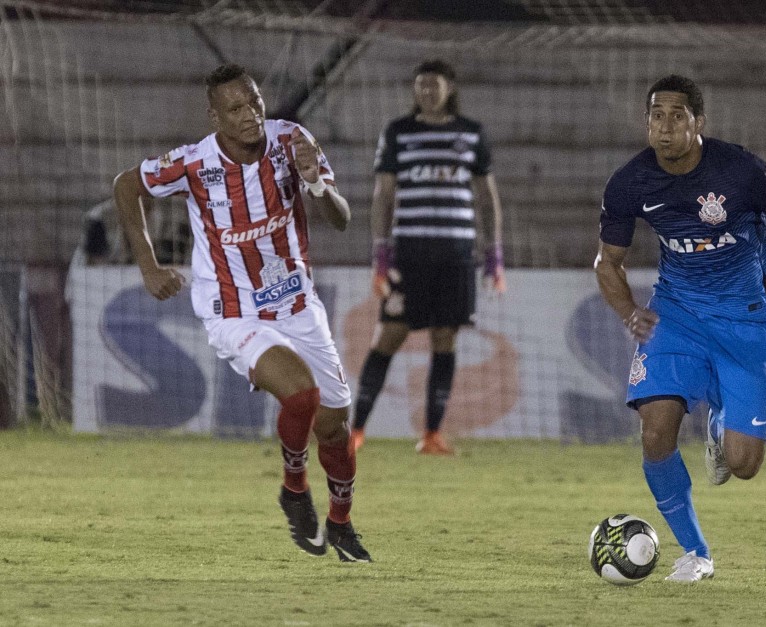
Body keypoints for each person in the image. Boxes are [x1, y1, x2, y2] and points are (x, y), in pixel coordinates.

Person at [595, 75, 766, 582]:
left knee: (744, 464)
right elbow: (608, 262)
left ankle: (719, 424)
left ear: (698, 123)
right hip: (676, 316)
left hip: (744, 321)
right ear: (647, 123)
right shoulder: (630, 183)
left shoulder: (740, 171)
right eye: (656, 115)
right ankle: (696, 553)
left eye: (677, 115)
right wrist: (628, 312)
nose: (665, 126)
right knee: (655, 432)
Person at [112, 63, 371, 563]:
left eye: (254, 101)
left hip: (298, 305)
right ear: (215, 117)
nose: (251, 114)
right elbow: (127, 185)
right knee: (302, 395)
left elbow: (340, 218)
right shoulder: (192, 163)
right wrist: (148, 267)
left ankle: (341, 524)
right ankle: (294, 486)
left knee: (334, 427)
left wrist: (316, 181)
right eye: (236, 108)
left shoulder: (292, 139)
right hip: (233, 311)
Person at [351, 59, 505, 455]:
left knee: (445, 337)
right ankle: (355, 429)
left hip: (456, 254)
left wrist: (494, 257)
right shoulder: (399, 132)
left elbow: (486, 197)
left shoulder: (470, 134)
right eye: (420, 85)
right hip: (411, 254)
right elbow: (383, 194)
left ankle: (432, 434)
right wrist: (381, 257)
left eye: (433, 85)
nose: (425, 92)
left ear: (449, 87)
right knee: (390, 334)